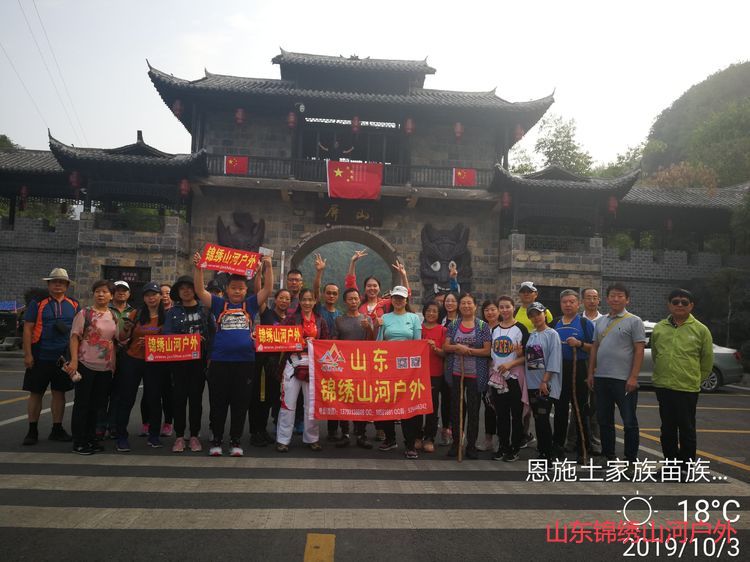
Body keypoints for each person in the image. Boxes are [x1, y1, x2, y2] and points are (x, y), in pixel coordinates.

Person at [193, 251, 273, 457]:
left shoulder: (251, 304)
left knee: (240, 404)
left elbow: (267, 289)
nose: (237, 291)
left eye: (241, 288)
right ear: (227, 290)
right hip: (220, 362)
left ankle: (236, 441)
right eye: (233, 288)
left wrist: (268, 266)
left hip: (245, 362)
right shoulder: (219, 304)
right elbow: (200, 290)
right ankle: (217, 440)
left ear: (246, 291)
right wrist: (198, 268)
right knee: (218, 403)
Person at [651, 289, 713, 466]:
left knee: (686, 430)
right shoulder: (660, 328)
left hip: (687, 389)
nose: (679, 305)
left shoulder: (701, 330)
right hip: (663, 387)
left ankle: (686, 467)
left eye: (684, 302)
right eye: (675, 302)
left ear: (691, 306)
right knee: (667, 429)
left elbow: (707, 360)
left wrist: (695, 379)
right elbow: (656, 354)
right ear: (669, 305)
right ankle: (671, 465)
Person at [587, 282, 646, 463]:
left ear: (627, 300)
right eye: (612, 295)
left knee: (629, 421)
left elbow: (639, 350)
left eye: (620, 296)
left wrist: (633, 377)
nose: (616, 299)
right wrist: (590, 373)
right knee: (604, 420)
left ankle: (631, 458)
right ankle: (608, 455)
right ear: (607, 299)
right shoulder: (601, 321)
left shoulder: (634, 321)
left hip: (624, 380)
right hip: (601, 378)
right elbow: (595, 348)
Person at [22, 267, 79, 446]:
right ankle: (32, 430)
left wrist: (75, 358)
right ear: (48, 285)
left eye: (61, 282)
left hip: (63, 358)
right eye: (54, 282)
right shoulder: (38, 304)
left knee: (59, 393)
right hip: (40, 355)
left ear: (67, 286)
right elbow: (28, 329)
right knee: (36, 393)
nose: (58, 285)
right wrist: (28, 354)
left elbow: (77, 332)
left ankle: (57, 429)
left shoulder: (74, 304)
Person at [65, 280, 119, 454]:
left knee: (98, 405)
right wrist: (74, 360)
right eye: (97, 291)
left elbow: (117, 339)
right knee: (82, 404)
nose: (101, 294)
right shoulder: (84, 313)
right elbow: (74, 337)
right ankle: (79, 441)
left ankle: (91, 438)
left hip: (105, 367)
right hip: (85, 363)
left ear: (111, 296)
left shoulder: (113, 315)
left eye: (105, 292)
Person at [163, 275, 215, 453]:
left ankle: (194, 435)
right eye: (182, 288)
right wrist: (189, 339)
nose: (186, 291)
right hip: (178, 362)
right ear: (178, 292)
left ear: (195, 290)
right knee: (178, 399)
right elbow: (167, 334)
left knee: (195, 400)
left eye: (189, 287)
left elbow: (213, 334)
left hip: (199, 363)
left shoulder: (205, 310)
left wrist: (210, 355)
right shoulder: (172, 312)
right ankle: (179, 436)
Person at [114, 282, 166, 451]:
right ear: (143, 298)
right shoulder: (136, 314)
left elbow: (171, 339)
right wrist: (126, 329)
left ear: (160, 296)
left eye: (154, 294)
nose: (151, 298)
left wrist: (153, 342)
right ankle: (121, 436)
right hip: (133, 359)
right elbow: (123, 337)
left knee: (154, 399)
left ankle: (154, 435)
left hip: (155, 362)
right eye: (148, 295)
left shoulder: (167, 316)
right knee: (127, 398)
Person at [276, 288, 328, 452]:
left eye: (310, 299)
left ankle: (312, 438)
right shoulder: (291, 319)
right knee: (288, 403)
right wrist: (259, 336)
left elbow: (327, 343)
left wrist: (315, 343)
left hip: (313, 366)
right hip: (293, 363)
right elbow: (278, 336)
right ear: (299, 301)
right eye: (304, 299)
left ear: (315, 301)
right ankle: (283, 440)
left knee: (311, 405)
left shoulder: (320, 320)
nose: (307, 303)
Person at [376, 286, 423, 458]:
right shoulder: (384, 318)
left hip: (407, 369)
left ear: (406, 300)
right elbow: (379, 343)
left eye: (401, 298)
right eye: (395, 297)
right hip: (388, 367)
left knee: (407, 405)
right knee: (387, 402)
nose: (398, 300)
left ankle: (410, 444)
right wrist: (376, 326)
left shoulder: (414, 318)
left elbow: (418, 344)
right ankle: (390, 439)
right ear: (391, 299)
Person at [443, 293, 492, 460]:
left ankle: (471, 445)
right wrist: (457, 348)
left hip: (476, 374)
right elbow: (446, 347)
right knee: (456, 409)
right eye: (463, 303)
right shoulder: (453, 325)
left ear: (475, 306)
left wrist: (468, 351)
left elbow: (487, 351)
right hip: (456, 372)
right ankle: (456, 443)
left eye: (469, 303)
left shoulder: (482, 326)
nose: (466, 306)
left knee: (473, 409)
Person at [553, 289, 596, 463]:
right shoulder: (555, 323)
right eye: (565, 302)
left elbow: (594, 348)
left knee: (580, 409)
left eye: (572, 302)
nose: (568, 305)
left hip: (579, 368)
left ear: (578, 304)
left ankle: (583, 449)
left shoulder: (585, 324)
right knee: (560, 410)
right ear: (560, 304)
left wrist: (579, 344)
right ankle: (558, 448)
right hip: (559, 369)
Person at [332, 287, 375, 448]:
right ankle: (344, 433)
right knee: (344, 398)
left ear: (360, 300)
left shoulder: (366, 319)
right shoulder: (339, 320)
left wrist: (369, 328)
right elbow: (333, 342)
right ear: (345, 301)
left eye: (356, 298)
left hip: (361, 366)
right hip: (344, 366)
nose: (353, 301)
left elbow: (372, 342)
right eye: (350, 299)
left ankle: (361, 434)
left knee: (361, 400)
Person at [249, 288, 291, 447]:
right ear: (276, 299)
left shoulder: (290, 320)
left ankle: (263, 429)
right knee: (258, 398)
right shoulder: (266, 313)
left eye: (287, 299)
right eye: (281, 298)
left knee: (270, 399)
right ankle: (254, 432)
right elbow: (259, 291)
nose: (284, 301)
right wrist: (262, 273)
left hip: (278, 365)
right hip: (262, 363)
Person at [489, 296, 529, 462]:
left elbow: (527, 356)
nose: (504, 310)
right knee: (501, 414)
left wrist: (512, 362)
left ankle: (515, 448)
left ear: (513, 307)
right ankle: (503, 446)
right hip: (498, 377)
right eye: (502, 307)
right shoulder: (494, 330)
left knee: (516, 414)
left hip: (515, 377)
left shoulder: (521, 329)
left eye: (507, 307)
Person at [524, 302, 562, 459]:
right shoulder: (532, 334)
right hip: (532, 384)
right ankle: (542, 450)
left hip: (545, 385)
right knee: (537, 418)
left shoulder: (552, 334)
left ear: (545, 314)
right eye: (532, 315)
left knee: (543, 418)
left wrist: (545, 381)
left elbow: (554, 360)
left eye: (538, 314)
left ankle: (548, 453)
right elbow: (532, 361)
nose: (536, 318)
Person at [99, 280, 135, 439]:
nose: (121, 293)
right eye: (118, 290)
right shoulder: (104, 310)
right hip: (105, 354)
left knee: (119, 393)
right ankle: (100, 425)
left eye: (124, 290)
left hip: (126, 355)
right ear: (112, 294)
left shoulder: (134, 312)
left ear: (129, 294)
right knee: (102, 391)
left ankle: (113, 425)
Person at [420, 301, 447, 453]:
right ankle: (416, 436)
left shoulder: (442, 330)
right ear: (424, 312)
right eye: (428, 310)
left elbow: (444, 353)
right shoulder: (418, 328)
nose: (431, 313)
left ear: (439, 314)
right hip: (417, 372)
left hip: (435, 373)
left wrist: (434, 348)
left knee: (432, 406)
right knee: (416, 404)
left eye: (434, 311)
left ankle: (429, 437)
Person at [477, 300, 500, 452]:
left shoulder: (503, 328)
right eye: (487, 310)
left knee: (501, 407)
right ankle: (488, 440)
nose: (490, 313)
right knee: (488, 405)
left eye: (492, 309)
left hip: (501, 372)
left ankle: (502, 439)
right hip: (484, 371)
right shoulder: (481, 328)